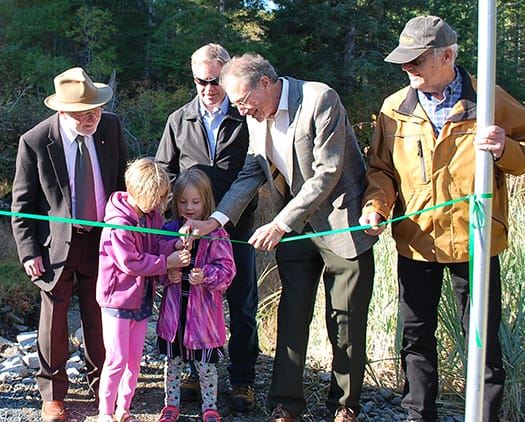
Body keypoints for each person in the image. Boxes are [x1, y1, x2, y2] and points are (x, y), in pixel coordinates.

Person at [183, 53, 377, 422]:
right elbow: (252, 171)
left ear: (266, 84)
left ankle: (344, 406)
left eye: (243, 101)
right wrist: (217, 220)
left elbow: (328, 172)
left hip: (342, 224)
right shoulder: (257, 116)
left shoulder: (321, 99)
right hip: (297, 230)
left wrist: (280, 224)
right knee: (292, 314)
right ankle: (286, 404)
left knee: (346, 320)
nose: (241, 112)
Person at [359, 15, 525, 422]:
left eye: (416, 60)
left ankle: (483, 416)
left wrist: (505, 148)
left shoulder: (489, 100)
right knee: (415, 336)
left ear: (447, 56)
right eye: (404, 61)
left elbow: (522, 152)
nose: (407, 68)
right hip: (416, 241)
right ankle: (419, 414)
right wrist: (375, 208)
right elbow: (381, 170)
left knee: (481, 339)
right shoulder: (394, 109)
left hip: (477, 239)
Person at [11, 67, 128, 422]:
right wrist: (29, 251)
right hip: (54, 246)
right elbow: (22, 205)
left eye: (96, 109)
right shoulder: (34, 141)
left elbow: (122, 184)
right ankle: (53, 394)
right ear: (62, 111)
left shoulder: (111, 127)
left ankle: (102, 387)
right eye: (83, 112)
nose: (93, 117)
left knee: (101, 315)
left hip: (104, 242)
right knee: (54, 320)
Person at [155, 43, 259, 412]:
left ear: (227, 76)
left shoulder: (247, 116)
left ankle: (243, 379)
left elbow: (255, 171)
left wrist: (220, 219)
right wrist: (174, 223)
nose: (209, 89)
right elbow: (165, 171)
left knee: (242, 303)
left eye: (216, 81)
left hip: (237, 227)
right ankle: (190, 374)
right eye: (202, 81)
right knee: (187, 299)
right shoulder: (178, 119)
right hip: (188, 231)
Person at [96, 158, 184, 422]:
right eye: (155, 198)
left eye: (161, 198)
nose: (159, 204)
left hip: (142, 297)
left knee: (134, 360)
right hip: (117, 301)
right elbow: (130, 261)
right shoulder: (118, 222)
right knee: (116, 359)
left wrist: (175, 247)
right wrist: (166, 263)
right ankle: (105, 412)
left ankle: (124, 409)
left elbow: (157, 244)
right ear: (139, 192)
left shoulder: (152, 216)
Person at [156, 168, 236, 422]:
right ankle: (171, 404)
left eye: (195, 202)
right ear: (175, 201)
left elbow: (227, 272)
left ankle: (209, 407)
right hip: (174, 316)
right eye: (183, 202)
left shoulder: (217, 234)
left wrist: (207, 276)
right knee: (173, 363)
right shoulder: (169, 230)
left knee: (206, 367)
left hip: (204, 319)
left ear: (206, 201)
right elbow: (156, 268)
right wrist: (168, 275)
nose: (189, 207)